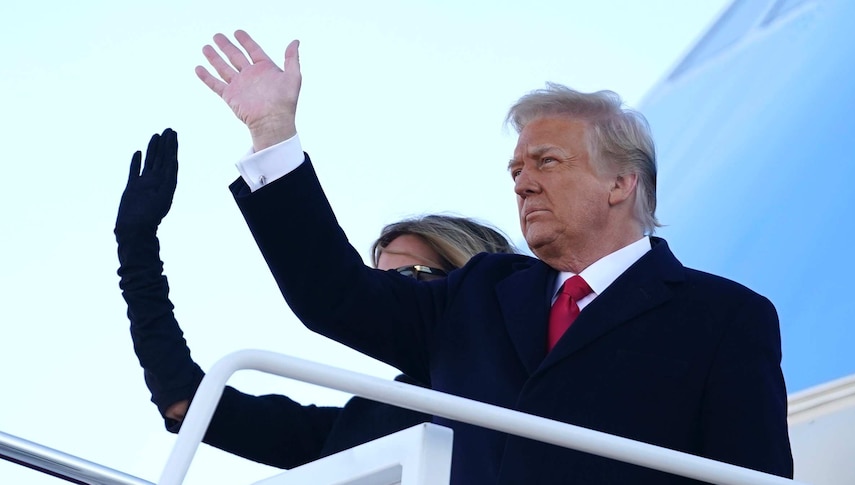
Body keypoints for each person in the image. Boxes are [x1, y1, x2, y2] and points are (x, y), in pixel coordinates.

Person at [196, 31, 793, 484]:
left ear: (621, 183)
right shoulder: (478, 292)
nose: (523, 183)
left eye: (547, 162)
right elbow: (336, 296)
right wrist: (274, 133)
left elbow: (750, 476)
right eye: (515, 169)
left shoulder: (724, 318)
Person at [114, 128, 517, 469]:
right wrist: (137, 250)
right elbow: (186, 401)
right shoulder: (363, 422)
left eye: (409, 277)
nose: (387, 294)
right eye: (376, 280)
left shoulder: (539, 378)